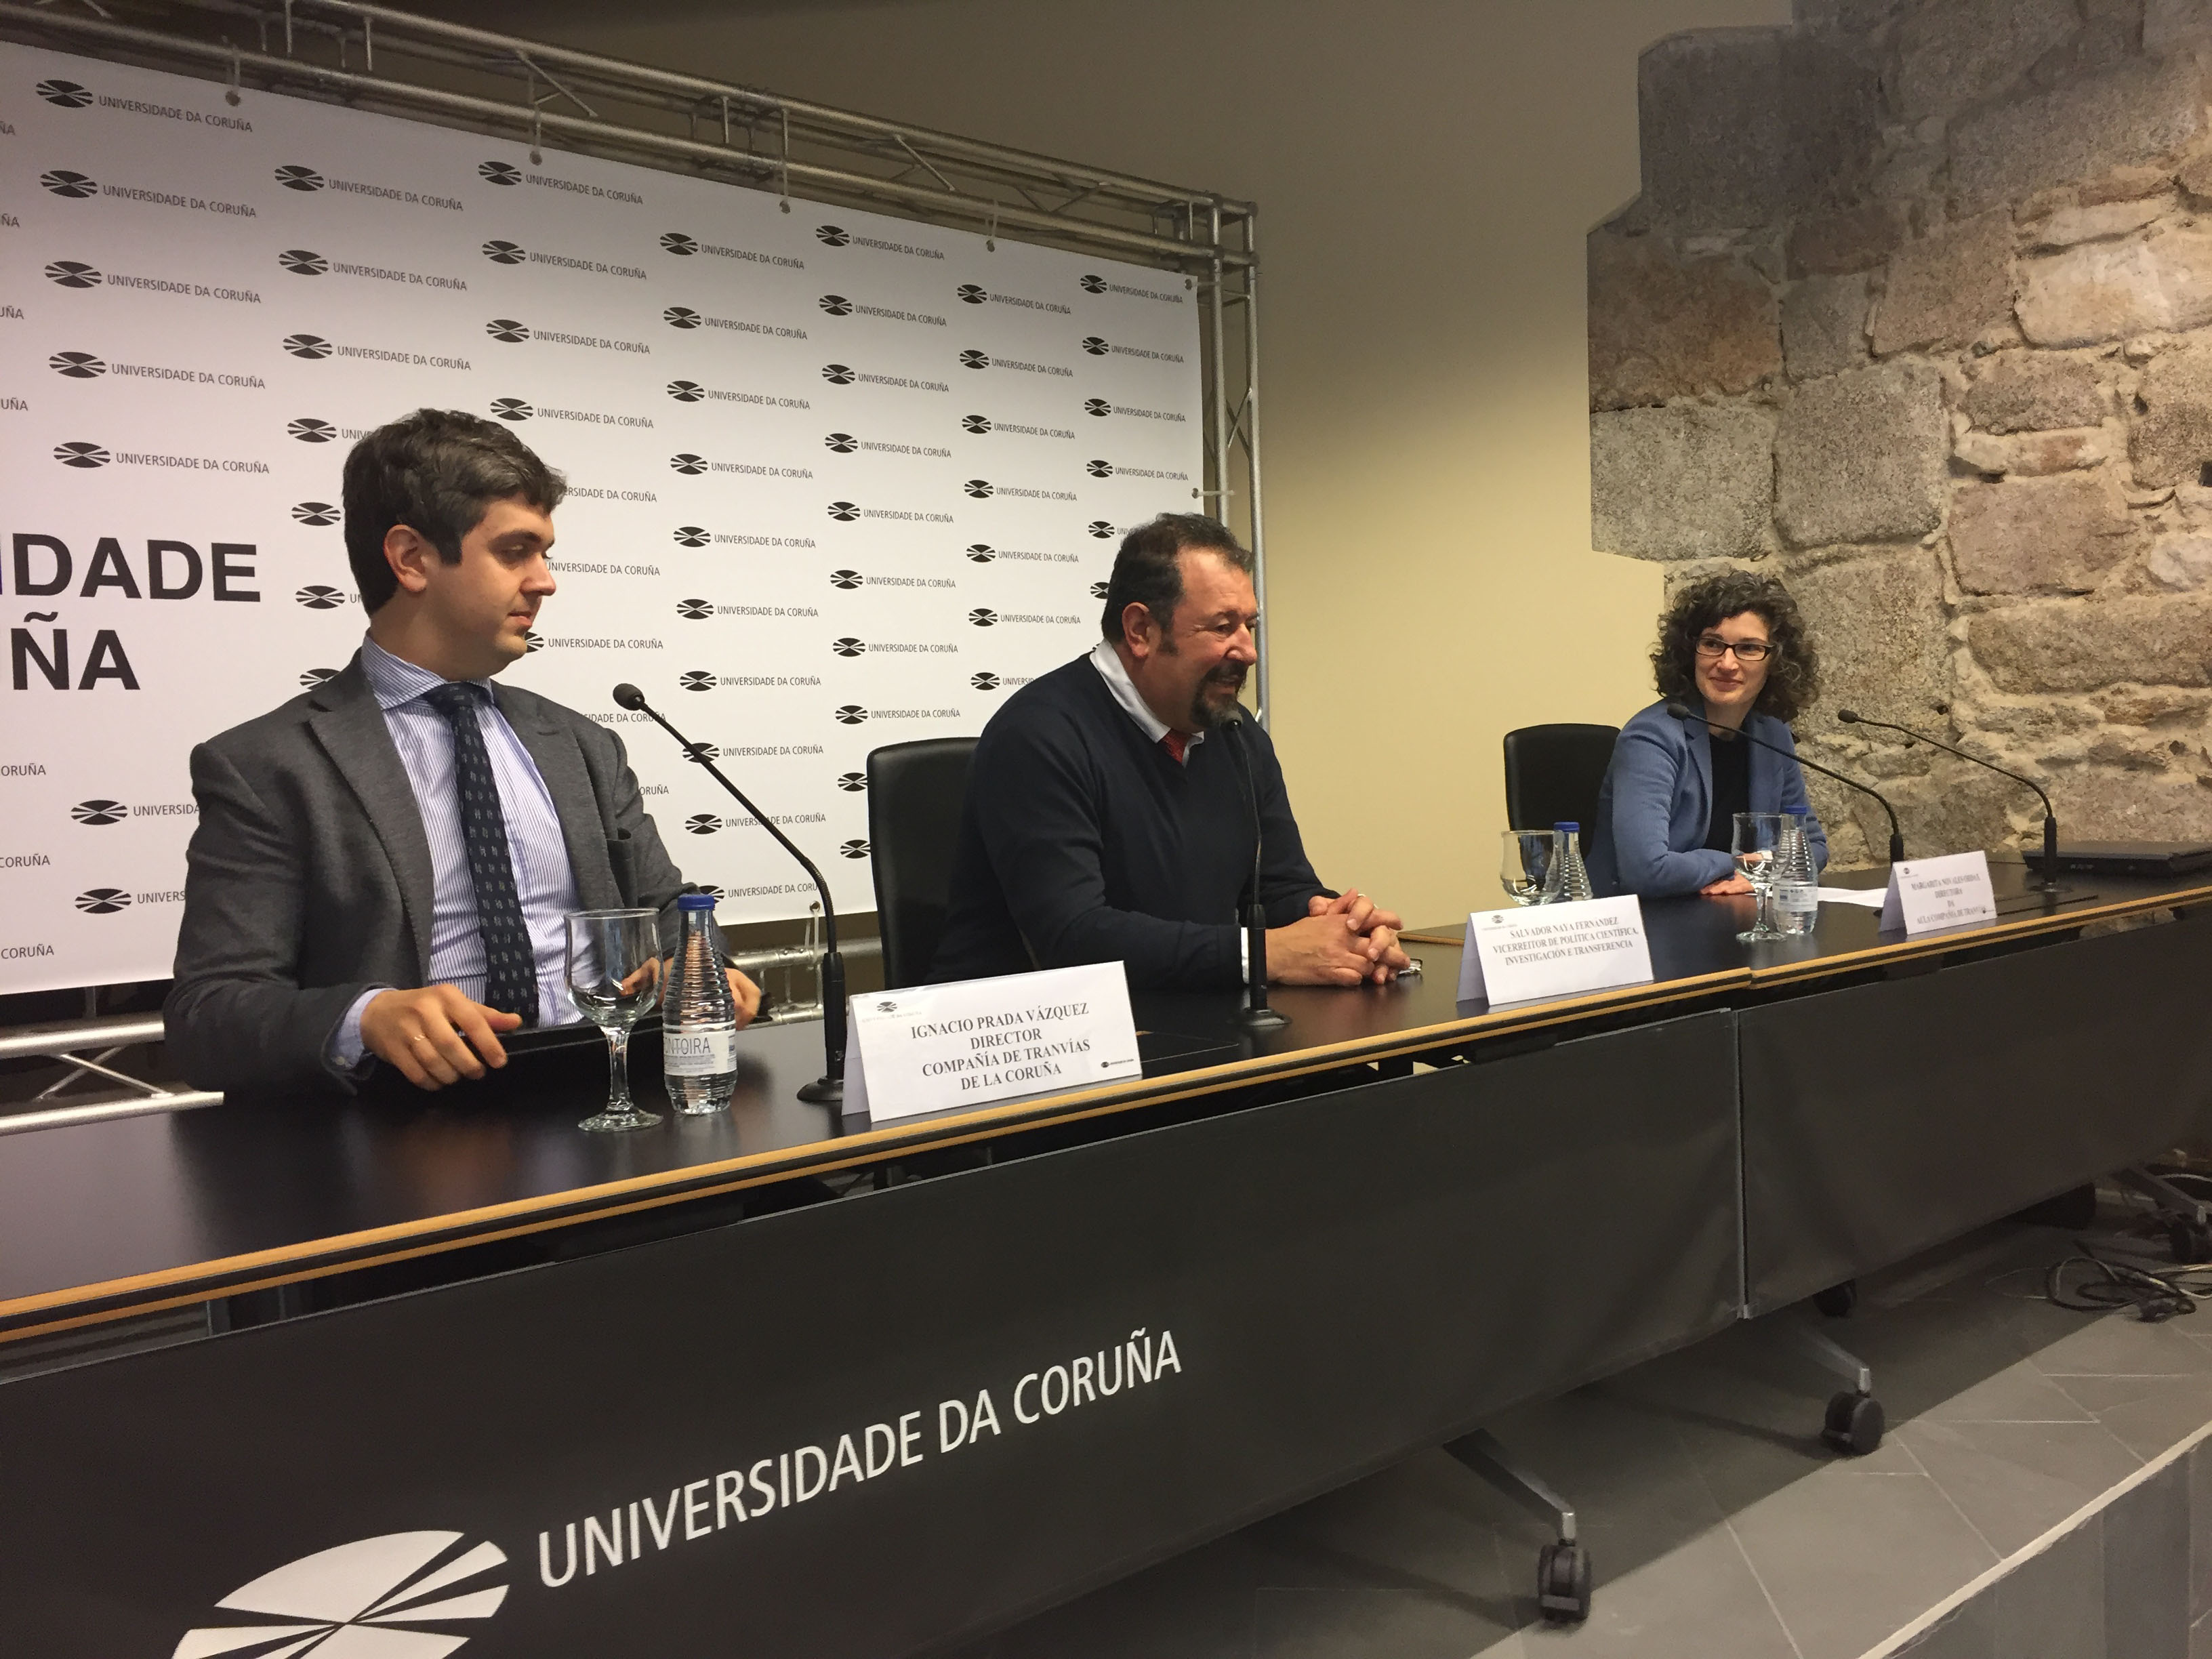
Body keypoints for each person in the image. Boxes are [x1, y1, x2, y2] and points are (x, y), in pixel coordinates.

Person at [164, 409, 758, 1097]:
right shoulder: (268, 766)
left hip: (606, 1102)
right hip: (401, 1128)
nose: (545, 581)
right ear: (412, 559)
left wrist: (696, 965)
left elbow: (670, 912)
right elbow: (208, 1015)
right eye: (515, 552)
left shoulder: (582, 746)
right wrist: (366, 1017)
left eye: (546, 554)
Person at [930, 513, 1408, 990]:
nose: (1248, 651)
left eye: (1249, 625)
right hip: (1025, 1025)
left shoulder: (1236, 734)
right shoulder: (1038, 736)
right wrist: (1261, 954)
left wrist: (1342, 928)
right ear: (1141, 630)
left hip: (1189, 1012)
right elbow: (1073, 938)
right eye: (1222, 627)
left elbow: (1277, 887)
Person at [1586, 570, 1829, 899]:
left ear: (1776, 662)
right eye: (1713, 644)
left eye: (1748, 648)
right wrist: (1744, 863)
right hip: (1642, 918)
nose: (1727, 663)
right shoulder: (1651, 737)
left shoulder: (1771, 734)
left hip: (1730, 911)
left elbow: (1812, 846)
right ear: (1690, 651)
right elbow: (1647, 871)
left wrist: (1764, 870)